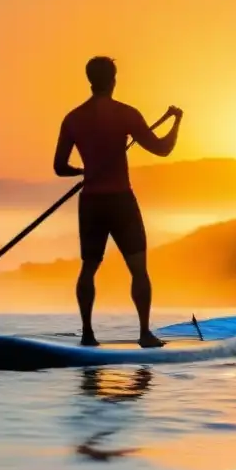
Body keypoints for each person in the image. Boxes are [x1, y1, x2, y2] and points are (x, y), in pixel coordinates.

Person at [53, 56, 183, 348]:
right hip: (121, 202)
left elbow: (59, 167)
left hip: (91, 203)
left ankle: (87, 335)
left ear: (90, 81)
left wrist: (84, 171)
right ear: (113, 80)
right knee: (138, 269)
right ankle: (145, 334)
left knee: (88, 267)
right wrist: (176, 121)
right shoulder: (126, 114)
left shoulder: (73, 118)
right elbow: (162, 149)